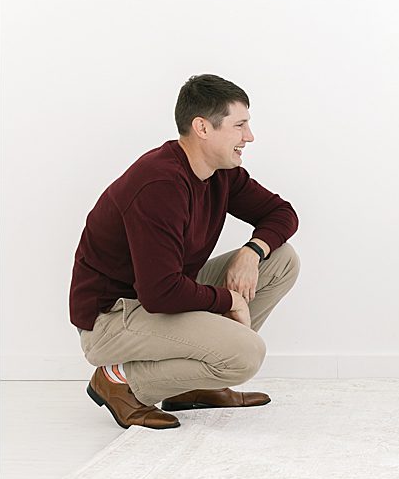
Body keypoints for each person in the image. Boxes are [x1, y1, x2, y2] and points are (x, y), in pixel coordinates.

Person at [71, 74, 301, 429]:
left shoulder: (221, 173)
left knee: (282, 260)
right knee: (246, 355)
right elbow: (160, 292)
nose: (249, 137)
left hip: (161, 298)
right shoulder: (159, 184)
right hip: (112, 319)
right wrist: (231, 300)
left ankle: (192, 386)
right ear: (203, 128)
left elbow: (282, 213)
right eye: (240, 125)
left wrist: (252, 251)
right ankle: (118, 380)